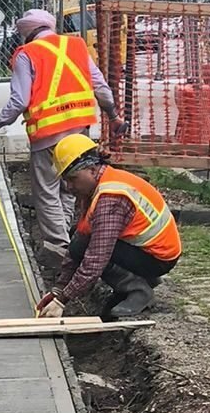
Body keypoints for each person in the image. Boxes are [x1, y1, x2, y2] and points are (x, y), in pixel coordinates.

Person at [0, 9, 126, 265]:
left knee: (47, 191)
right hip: (80, 134)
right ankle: (69, 244)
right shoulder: (76, 46)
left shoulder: (26, 54)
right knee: (70, 186)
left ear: (28, 33)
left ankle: (59, 250)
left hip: (48, 135)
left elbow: (19, 100)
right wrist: (113, 116)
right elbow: (101, 88)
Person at [37, 133, 182, 322]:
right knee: (79, 240)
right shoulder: (97, 186)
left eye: (72, 179)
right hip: (143, 250)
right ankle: (138, 280)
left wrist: (64, 300)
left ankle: (139, 290)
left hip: (157, 258)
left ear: (90, 169)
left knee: (94, 250)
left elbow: (96, 259)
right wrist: (58, 290)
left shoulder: (110, 198)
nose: (69, 186)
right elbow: (79, 241)